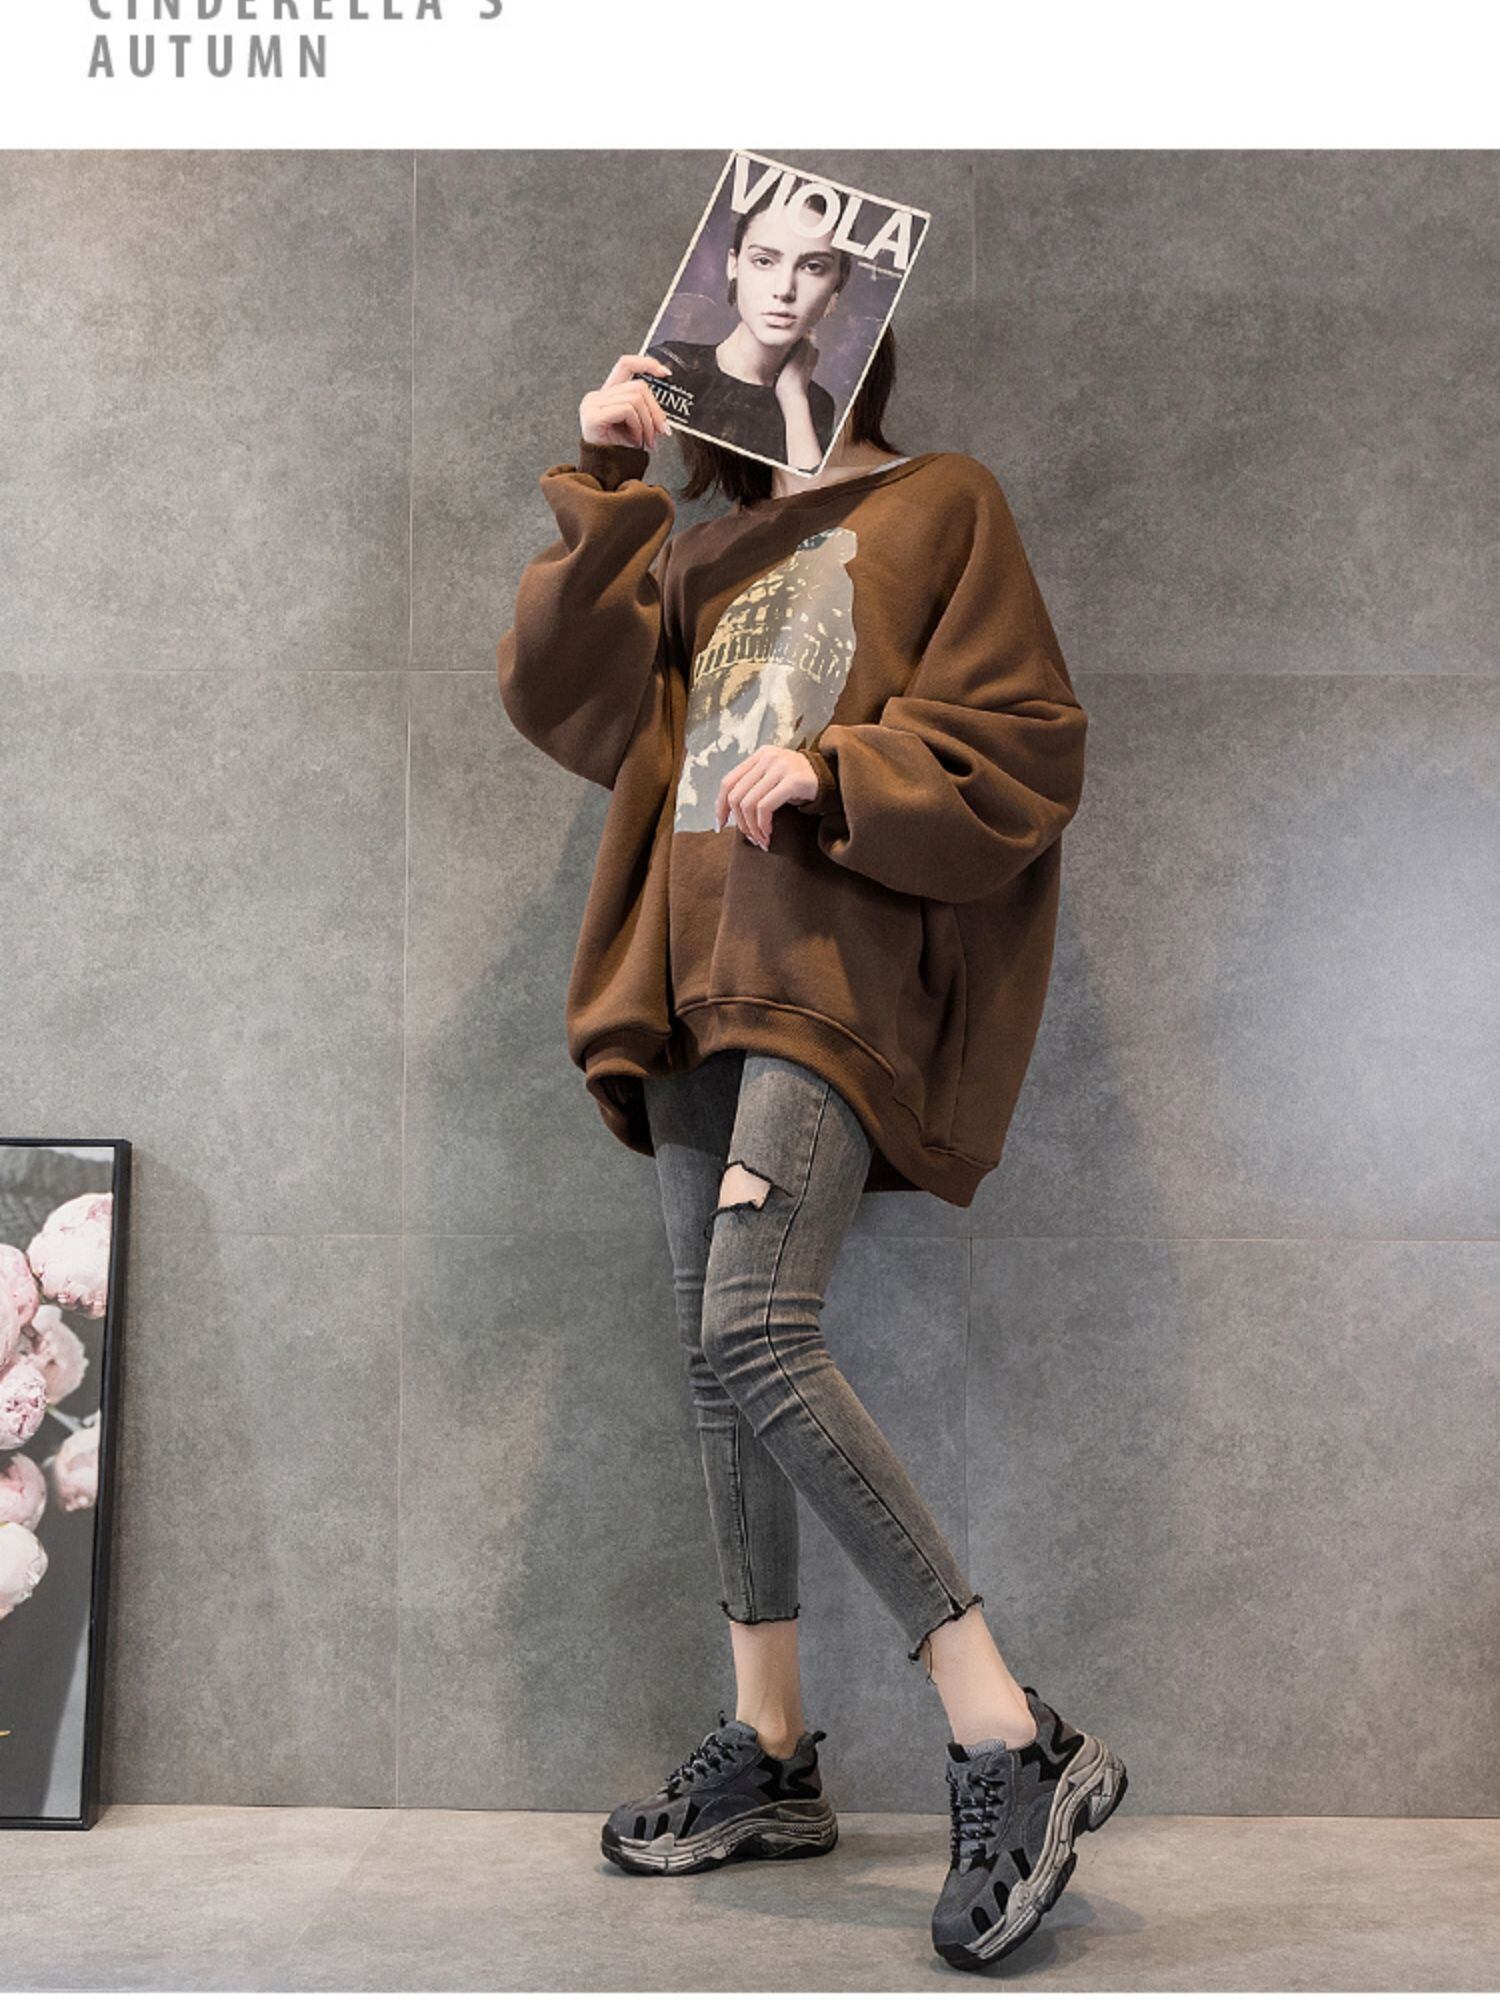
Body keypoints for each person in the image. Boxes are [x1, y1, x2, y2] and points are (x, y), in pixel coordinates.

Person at [495, 329, 1128, 1973]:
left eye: (803, 270)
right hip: (682, 980)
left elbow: (1027, 736)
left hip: (828, 971)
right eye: (748, 273)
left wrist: (842, 768)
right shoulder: (702, 548)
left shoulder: (943, 501)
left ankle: (1011, 1731)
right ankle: (771, 1750)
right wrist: (614, 478)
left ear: (859, 311)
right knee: (715, 1364)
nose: (775, 301)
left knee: (755, 1330)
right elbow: (568, 697)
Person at [642, 179, 842, 473]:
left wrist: (794, 398)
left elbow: (811, 497)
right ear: (734, 265)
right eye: (764, 261)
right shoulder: (669, 368)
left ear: (835, 290)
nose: (784, 290)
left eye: (813, 267)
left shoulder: (816, 403)